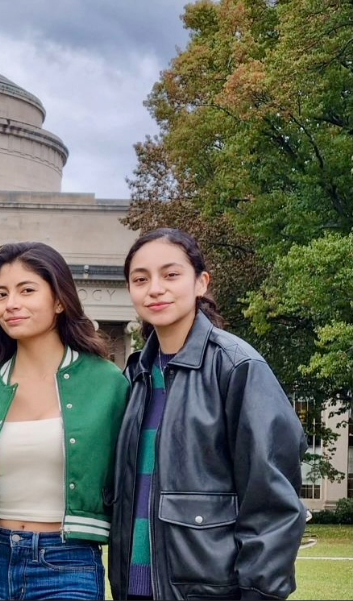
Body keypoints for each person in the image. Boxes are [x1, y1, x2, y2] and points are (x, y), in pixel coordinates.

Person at [109, 228, 307, 600]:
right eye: (140, 279)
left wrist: (259, 592)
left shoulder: (237, 367)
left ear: (201, 283)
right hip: (134, 588)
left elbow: (272, 499)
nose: (155, 288)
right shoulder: (136, 376)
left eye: (170, 275)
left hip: (210, 591)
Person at [0, 242, 130, 600]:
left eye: (27, 290)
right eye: (1, 295)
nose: (11, 304)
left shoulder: (107, 383)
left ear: (60, 301)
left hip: (68, 564)